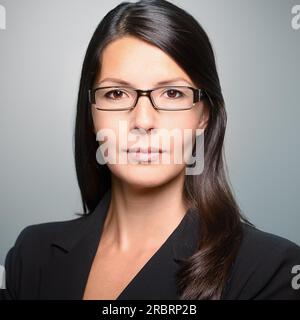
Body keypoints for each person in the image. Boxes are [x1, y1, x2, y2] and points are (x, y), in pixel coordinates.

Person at [1, 0, 300, 300]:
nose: (143, 121)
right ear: (91, 113)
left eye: (172, 93)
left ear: (204, 116)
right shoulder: (31, 257)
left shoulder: (269, 270)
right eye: (116, 93)